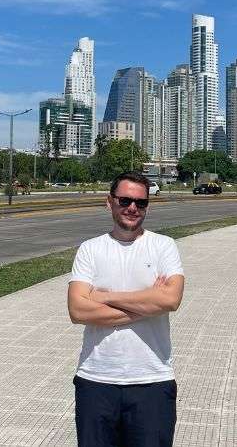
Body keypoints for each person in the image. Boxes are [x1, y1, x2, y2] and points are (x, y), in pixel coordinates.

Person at [68, 171, 185, 446]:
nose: (132, 208)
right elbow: (77, 310)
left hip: (152, 381)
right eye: (125, 200)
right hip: (96, 380)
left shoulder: (163, 246)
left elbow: (170, 300)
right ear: (109, 202)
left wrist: (102, 297)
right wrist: (148, 302)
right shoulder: (90, 249)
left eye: (140, 203)